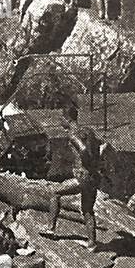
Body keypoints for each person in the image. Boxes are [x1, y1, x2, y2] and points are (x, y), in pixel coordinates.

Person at [51, 105, 103, 247]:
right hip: (93, 176)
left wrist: (85, 167)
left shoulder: (73, 134)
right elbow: (98, 147)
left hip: (83, 175)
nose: (60, 121)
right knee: (87, 209)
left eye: (61, 118)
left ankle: (50, 229)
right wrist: (93, 168)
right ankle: (92, 242)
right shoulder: (88, 131)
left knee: (54, 194)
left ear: (67, 119)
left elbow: (84, 150)